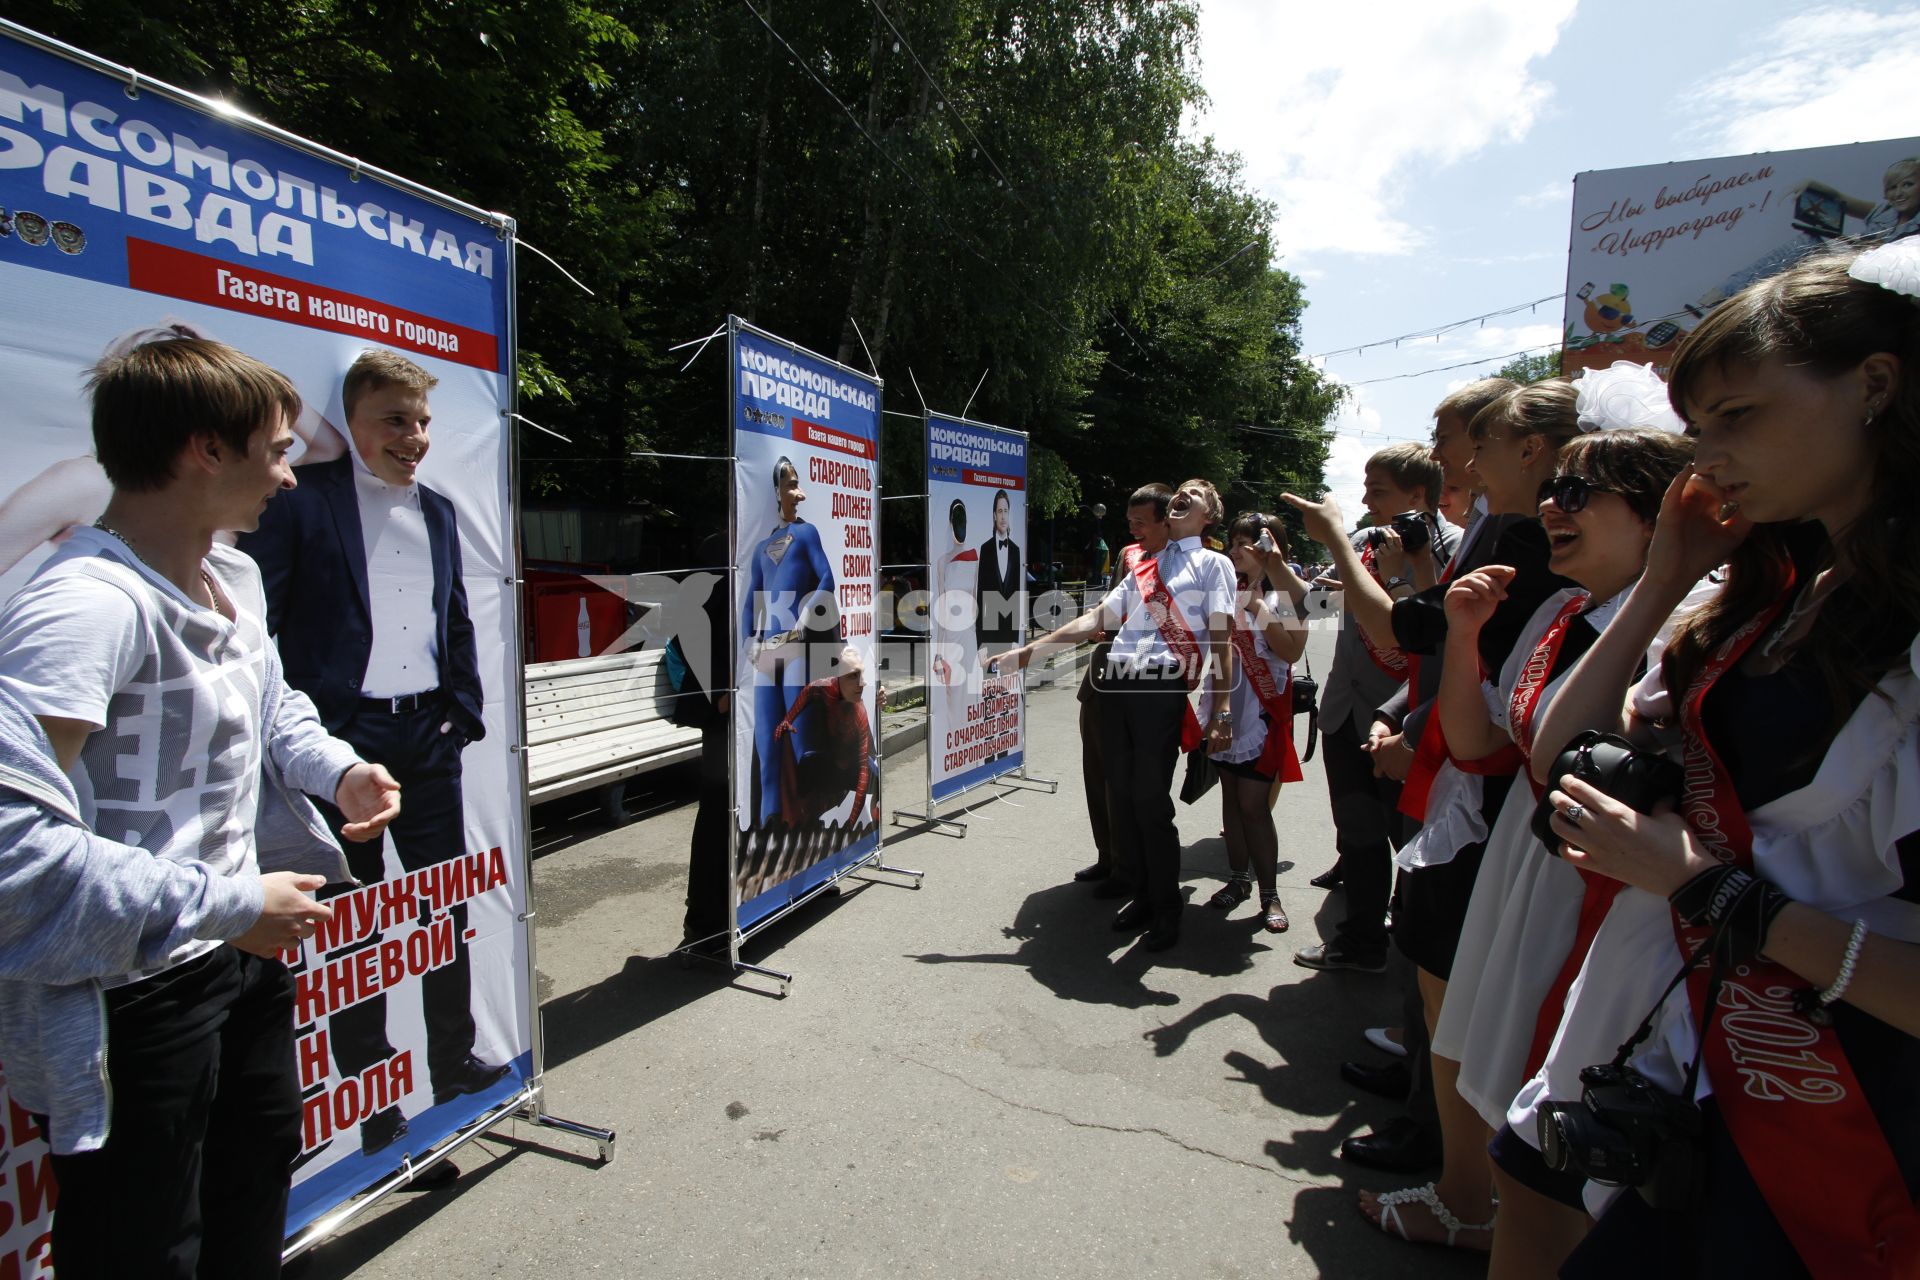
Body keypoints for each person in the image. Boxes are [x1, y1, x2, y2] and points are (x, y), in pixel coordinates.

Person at [1519, 244, 1920, 1277]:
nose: (1710, 456)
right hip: (1696, 1054)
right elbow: (1556, 759)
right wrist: (1663, 578)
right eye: (1698, 429)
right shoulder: (1775, 588)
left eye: (1738, 415)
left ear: (1875, 384)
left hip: (1842, 1114)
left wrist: (1708, 888)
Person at [0, 337, 400, 1279]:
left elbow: (273, 710)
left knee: (249, 1199)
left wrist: (337, 772)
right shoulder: (84, 610)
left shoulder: (236, 580)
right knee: (146, 1247)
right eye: (274, 450)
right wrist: (232, 905)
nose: (291, 478)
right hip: (131, 995)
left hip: (237, 959)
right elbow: (15, 851)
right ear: (202, 451)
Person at [1401, 411, 1698, 1265]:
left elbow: (1564, 753)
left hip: (1605, 893)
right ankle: (1490, 1221)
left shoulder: (1689, 626)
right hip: (1527, 866)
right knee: (1510, 1096)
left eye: (1578, 492)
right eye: (1553, 489)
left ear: (1657, 514)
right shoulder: (1563, 609)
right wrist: (1462, 637)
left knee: (1562, 1132)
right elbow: (1482, 744)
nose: (1551, 509)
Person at [237, 348, 506, 1158]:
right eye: (394, 420)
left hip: (429, 737)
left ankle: (453, 1061)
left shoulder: (440, 511)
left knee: (442, 906)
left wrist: (461, 716)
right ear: (351, 421)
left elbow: (453, 617)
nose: (413, 437)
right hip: (340, 748)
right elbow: (259, 632)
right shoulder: (301, 504)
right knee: (352, 921)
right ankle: (375, 1098)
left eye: (422, 422)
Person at [1000, 479, 1236, 951]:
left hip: (1160, 689)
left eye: (1197, 492)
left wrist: (1222, 708)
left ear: (1209, 514)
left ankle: (1168, 908)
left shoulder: (1215, 564)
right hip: (1116, 683)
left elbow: (1221, 639)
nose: (1185, 494)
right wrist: (1034, 650)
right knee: (1124, 799)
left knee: (1151, 802)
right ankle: (1146, 896)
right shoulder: (1145, 565)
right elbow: (1099, 619)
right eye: (1181, 489)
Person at [1294, 439, 1461, 967]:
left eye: (1378, 489)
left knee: (1410, 842)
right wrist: (1276, 569)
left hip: (1406, 726)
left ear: (1418, 493)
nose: (1365, 498)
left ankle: (1411, 951)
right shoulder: (1364, 542)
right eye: (1365, 486)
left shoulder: (1453, 550)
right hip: (1346, 713)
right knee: (1358, 836)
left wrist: (1388, 575)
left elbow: (1407, 638)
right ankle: (1362, 942)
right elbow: (1322, 604)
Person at [1199, 513, 1309, 933]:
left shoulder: (1289, 594)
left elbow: (1291, 650)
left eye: (1247, 543)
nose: (1237, 549)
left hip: (1262, 713)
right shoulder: (1225, 588)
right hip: (1226, 709)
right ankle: (1237, 880)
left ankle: (1270, 894)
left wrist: (1259, 607)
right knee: (1230, 797)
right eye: (1234, 541)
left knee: (1253, 806)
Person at [1073, 484, 1171, 891]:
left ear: (1167, 521)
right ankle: (1108, 856)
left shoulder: (1186, 565)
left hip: (1146, 684)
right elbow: (1108, 607)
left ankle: (1136, 868)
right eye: (1129, 521)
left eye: (1141, 522)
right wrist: (1099, 627)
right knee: (1097, 773)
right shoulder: (1131, 557)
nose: (1133, 530)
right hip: (1102, 678)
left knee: (1133, 783)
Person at [741, 456, 835, 825]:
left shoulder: (807, 533)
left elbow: (827, 579)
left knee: (801, 747)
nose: (800, 493)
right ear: (775, 492)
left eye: (798, 484)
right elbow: (752, 597)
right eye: (791, 485)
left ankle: (808, 837)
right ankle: (768, 832)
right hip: (767, 654)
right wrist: (750, 639)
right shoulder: (763, 548)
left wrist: (804, 620)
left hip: (794, 647)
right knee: (767, 749)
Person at [975, 488, 1023, 656]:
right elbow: (980, 597)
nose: (1003, 516)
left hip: (1009, 636)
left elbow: (1017, 596)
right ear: (994, 515)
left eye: (1006, 511)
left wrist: (1016, 639)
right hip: (989, 635)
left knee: (1007, 681)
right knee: (989, 681)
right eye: (999, 511)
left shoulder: (1016, 551)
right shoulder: (985, 549)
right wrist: (980, 642)